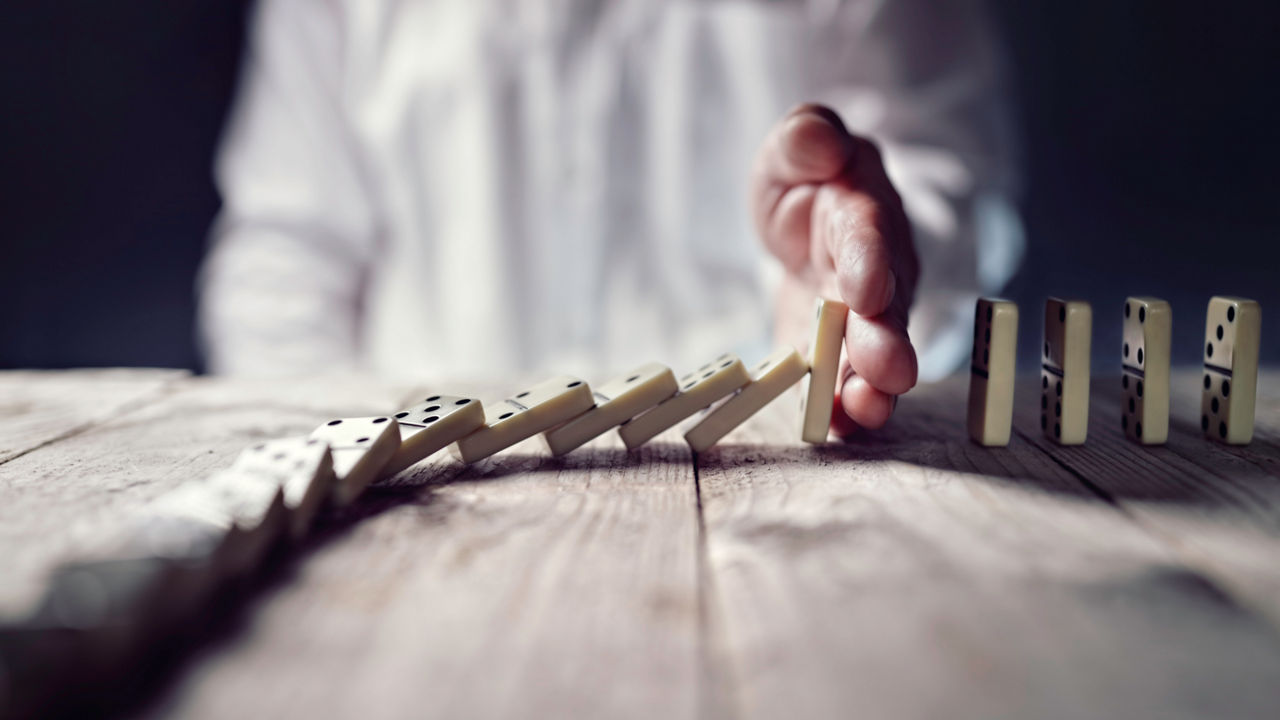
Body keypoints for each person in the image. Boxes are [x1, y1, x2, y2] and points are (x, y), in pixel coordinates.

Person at [199, 0, 1021, 434]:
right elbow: (284, 259)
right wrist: (347, 469)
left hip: (766, 482)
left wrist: (880, 276)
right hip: (416, 494)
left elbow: (956, 178)